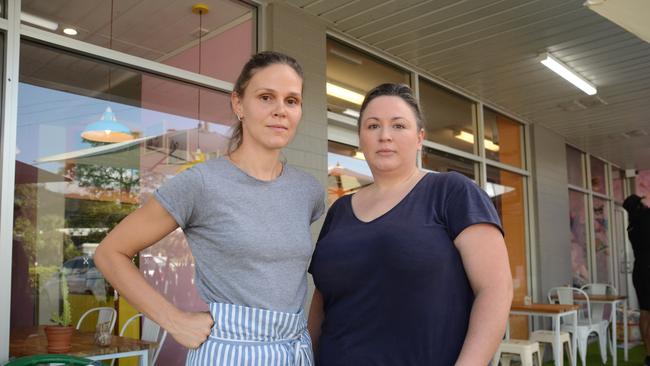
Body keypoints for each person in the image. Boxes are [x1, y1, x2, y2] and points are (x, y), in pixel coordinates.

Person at [95, 51, 325, 366]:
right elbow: (110, 253)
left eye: (291, 101)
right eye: (266, 97)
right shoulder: (202, 183)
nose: (280, 111)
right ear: (238, 104)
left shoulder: (308, 191)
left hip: (294, 351)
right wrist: (173, 320)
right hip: (230, 352)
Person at [307, 83, 513, 365]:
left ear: (420, 138)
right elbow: (322, 299)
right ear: (360, 139)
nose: (385, 136)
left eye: (399, 126)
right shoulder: (340, 210)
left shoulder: (452, 192)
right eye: (373, 126)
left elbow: (495, 290)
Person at [623, 194, 650, 366]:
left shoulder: (631, 227)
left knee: (645, 311)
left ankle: (649, 354)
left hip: (640, 271)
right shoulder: (647, 217)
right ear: (639, 205)